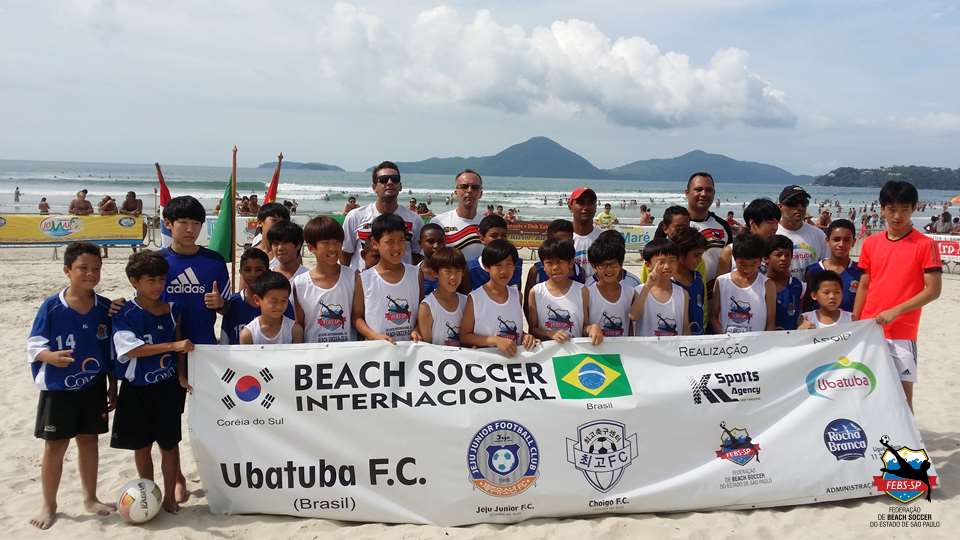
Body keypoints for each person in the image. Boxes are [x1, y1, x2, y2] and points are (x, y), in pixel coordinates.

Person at [26, 242, 117, 529]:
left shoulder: (105, 308)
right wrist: (49, 356)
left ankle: (90, 497)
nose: (90, 274)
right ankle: (49, 504)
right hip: (58, 390)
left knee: (89, 442)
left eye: (96, 269)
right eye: (83, 268)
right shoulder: (52, 307)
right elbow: (34, 345)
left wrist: (113, 386)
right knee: (55, 447)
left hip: (93, 387)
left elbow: (110, 353)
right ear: (68, 270)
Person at [110, 251, 192, 514]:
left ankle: (169, 496)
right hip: (136, 390)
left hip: (166, 388)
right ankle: (148, 492)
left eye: (161, 280)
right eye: (150, 280)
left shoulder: (172, 310)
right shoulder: (124, 312)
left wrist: (181, 374)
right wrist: (171, 345)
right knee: (141, 447)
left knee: (169, 445)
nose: (158, 286)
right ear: (135, 281)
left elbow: (180, 348)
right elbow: (131, 349)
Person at [157, 196, 227, 502]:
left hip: (204, 351)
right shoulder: (158, 262)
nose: (190, 229)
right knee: (170, 425)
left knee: (211, 420)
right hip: (166, 352)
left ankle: (215, 475)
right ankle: (177, 478)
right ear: (168, 224)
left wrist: (220, 304)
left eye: (196, 223)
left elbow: (229, 307)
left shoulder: (213, 261)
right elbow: (145, 305)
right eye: (183, 222)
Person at [854, 181, 942, 411]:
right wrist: (856, 319)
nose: (897, 215)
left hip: (902, 331)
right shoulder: (871, 243)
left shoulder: (926, 245)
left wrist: (896, 311)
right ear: (882, 208)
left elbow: (933, 290)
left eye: (904, 209)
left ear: (914, 208)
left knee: (902, 398)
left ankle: (906, 445)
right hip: (869, 327)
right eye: (891, 209)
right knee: (866, 389)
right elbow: (865, 284)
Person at [460, 239, 538, 357]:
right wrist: (495, 340)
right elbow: (464, 336)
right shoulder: (475, 298)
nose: (504, 271)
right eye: (498, 265)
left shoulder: (517, 295)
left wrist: (526, 336)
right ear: (487, 267)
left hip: (513, 364)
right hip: (487, 364)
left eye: (509, 264)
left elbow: (514, 330)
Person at [353, 213, 423, 343]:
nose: (397, 247)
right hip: (378, 352)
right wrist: (374, 336)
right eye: (389, 241)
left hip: (409, 351)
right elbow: (357, 318)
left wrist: (417, 329)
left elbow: (422, 311)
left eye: (401, 240)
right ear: (375, 243)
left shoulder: (416, 273)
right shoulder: (364, 279)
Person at [342, 161, 423, 270]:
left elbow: (417, 256)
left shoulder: (415, 220)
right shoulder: (355, 217)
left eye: (395, 179)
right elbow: (345, 254)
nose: (390, 182)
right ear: (374, 187)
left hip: (400, 284)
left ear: (400, 186)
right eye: (384, 179)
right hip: (363, 283)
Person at [292, 216, 358, 343]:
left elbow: (357, 318)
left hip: (349, 354)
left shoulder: (353, 276)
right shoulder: (300, 283)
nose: (333, 248)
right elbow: (300, 324)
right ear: (311, 248)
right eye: (326, 243)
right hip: (314, 355)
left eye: (337, 242)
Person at [710, 233, 776, 333]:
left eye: (753, 264)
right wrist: (724, 338)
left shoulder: (767, 285)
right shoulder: (721, 282)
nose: (747, 269)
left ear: (760, 260)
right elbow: (714, 317)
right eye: (742, 264)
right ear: (734, 259)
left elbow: (771, 322)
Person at [222, 248, 289, 344]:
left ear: (268, 271)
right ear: (240, 272)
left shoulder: (281, 301)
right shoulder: (233, 302)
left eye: (259, 270)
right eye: (248, 270)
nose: (253, 274)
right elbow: (225, 339)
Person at [527, 239, 585, 342]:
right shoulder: (536, 292)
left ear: (571, 263)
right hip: (548, 354)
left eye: (560, 262)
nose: (555, 267)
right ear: (543, 266)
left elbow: (585, 325)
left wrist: (592, 328)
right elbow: (533, 329)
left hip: (576, 354)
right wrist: (550, 333)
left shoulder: (582, 291)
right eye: (549, 263)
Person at [630, 238, 689, 336]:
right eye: (661, 262)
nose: (667, 266)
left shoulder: (683, 293)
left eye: (672, 261)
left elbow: (685, 326)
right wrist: (647, 287)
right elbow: (633, 316)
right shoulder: (639, 291)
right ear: (648, 265)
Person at [412, 247, 468, 346]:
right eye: (448, 271)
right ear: (435, 273)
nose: (453, 277)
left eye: (458, 271)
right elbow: (426, 347)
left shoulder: (468, 302)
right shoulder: (427, 307)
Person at [585, 232, 635, 342]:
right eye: (602, 265)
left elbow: (631, 327)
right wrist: (591, 328)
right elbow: (583, 326)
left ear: (621, 264)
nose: (609, 270)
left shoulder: (631, 292)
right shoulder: (587, 293)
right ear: (594, 267)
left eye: (613, 264)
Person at [803, 219, 861, 313]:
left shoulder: (860, 271)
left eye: (846, 240)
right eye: (836, 239)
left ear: (854, 242)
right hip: (819, 326)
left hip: (850, 326)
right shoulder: (813, 270)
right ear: (827, 241)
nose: (841, 244)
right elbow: (807, 304)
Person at [684, 172, 732, 283]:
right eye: (698, 189)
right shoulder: (672, 225)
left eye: (709, 190)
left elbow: (729, 262)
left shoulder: (723, 226)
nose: (704, 194)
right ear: (687, 193)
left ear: (714, 194)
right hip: (679, 294)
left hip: (712, 295)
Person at [717, 198, 781, 277]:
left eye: (777, 222)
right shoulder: (730, 251)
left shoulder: (776, 252)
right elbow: (721, 285)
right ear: (752, 223)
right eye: (770, 222)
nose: (775, 227)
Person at [776, 185, 828, 283]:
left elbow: (827, 266)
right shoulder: (773, 234)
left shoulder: (818, 235)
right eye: (793, 203)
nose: (799, 208)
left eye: (804, 203)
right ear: (780, 207)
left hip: (810, 294)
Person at [431, 170, 484, 262]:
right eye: (464, 186)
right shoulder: (439, 222)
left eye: (475, 187)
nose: (469, 190)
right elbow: (431, 258)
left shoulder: (486, 224)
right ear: (455, 192)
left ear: (481, 193)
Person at [239, 271, 304, 344]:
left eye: (283, 300)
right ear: (257, 300)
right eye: (273, 301)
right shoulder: (248, 334)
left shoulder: (295, 331)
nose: (279, 306)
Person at [464, 215, 522, 292]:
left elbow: (517, 297)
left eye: (503, 236)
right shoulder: (470, 269)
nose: (500, 239)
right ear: (482, 238)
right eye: (494, 236)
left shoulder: (516, 264)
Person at [670, 226, 708, 335]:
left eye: (701, 255)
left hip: (697, 339)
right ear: (680, 253)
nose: (700, 260)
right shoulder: (667, 281)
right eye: (696, 255)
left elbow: (701, 308)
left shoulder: (698, 278)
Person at [765, 235, 803, 330]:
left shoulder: (800, 286)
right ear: (766, 258)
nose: (783, 258)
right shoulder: (758, 285)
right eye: (778, 255)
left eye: (787, 255)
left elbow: (804, 316)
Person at [569, 187, 601, 278]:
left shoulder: (603, 238)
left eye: (590, 203)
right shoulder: (562, 238)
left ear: (595, 207)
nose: (586, 207)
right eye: (581, 203)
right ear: (570, 206)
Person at [417, 223, 446, 296]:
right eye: (431, 241)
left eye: (440, 241)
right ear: (420, 243)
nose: (436, 246)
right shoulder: (413, 274)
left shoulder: (454, 272)